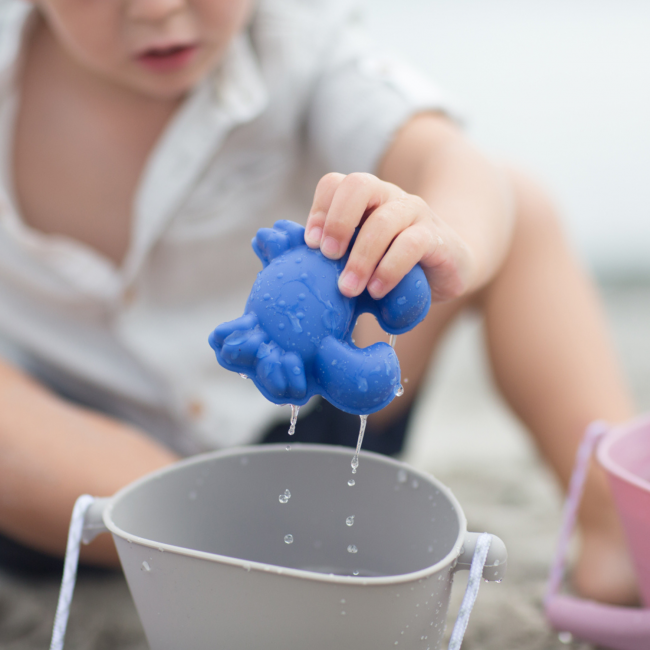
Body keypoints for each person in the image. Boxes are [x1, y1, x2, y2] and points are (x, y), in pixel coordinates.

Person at [0, 0, 637, 606]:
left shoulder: (298, 44)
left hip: (313, 422)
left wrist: (447, 235)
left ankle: (616, 523)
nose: (158, 9)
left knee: (514, 202)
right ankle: (205, 541)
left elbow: (448, 158)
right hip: (89, 470)